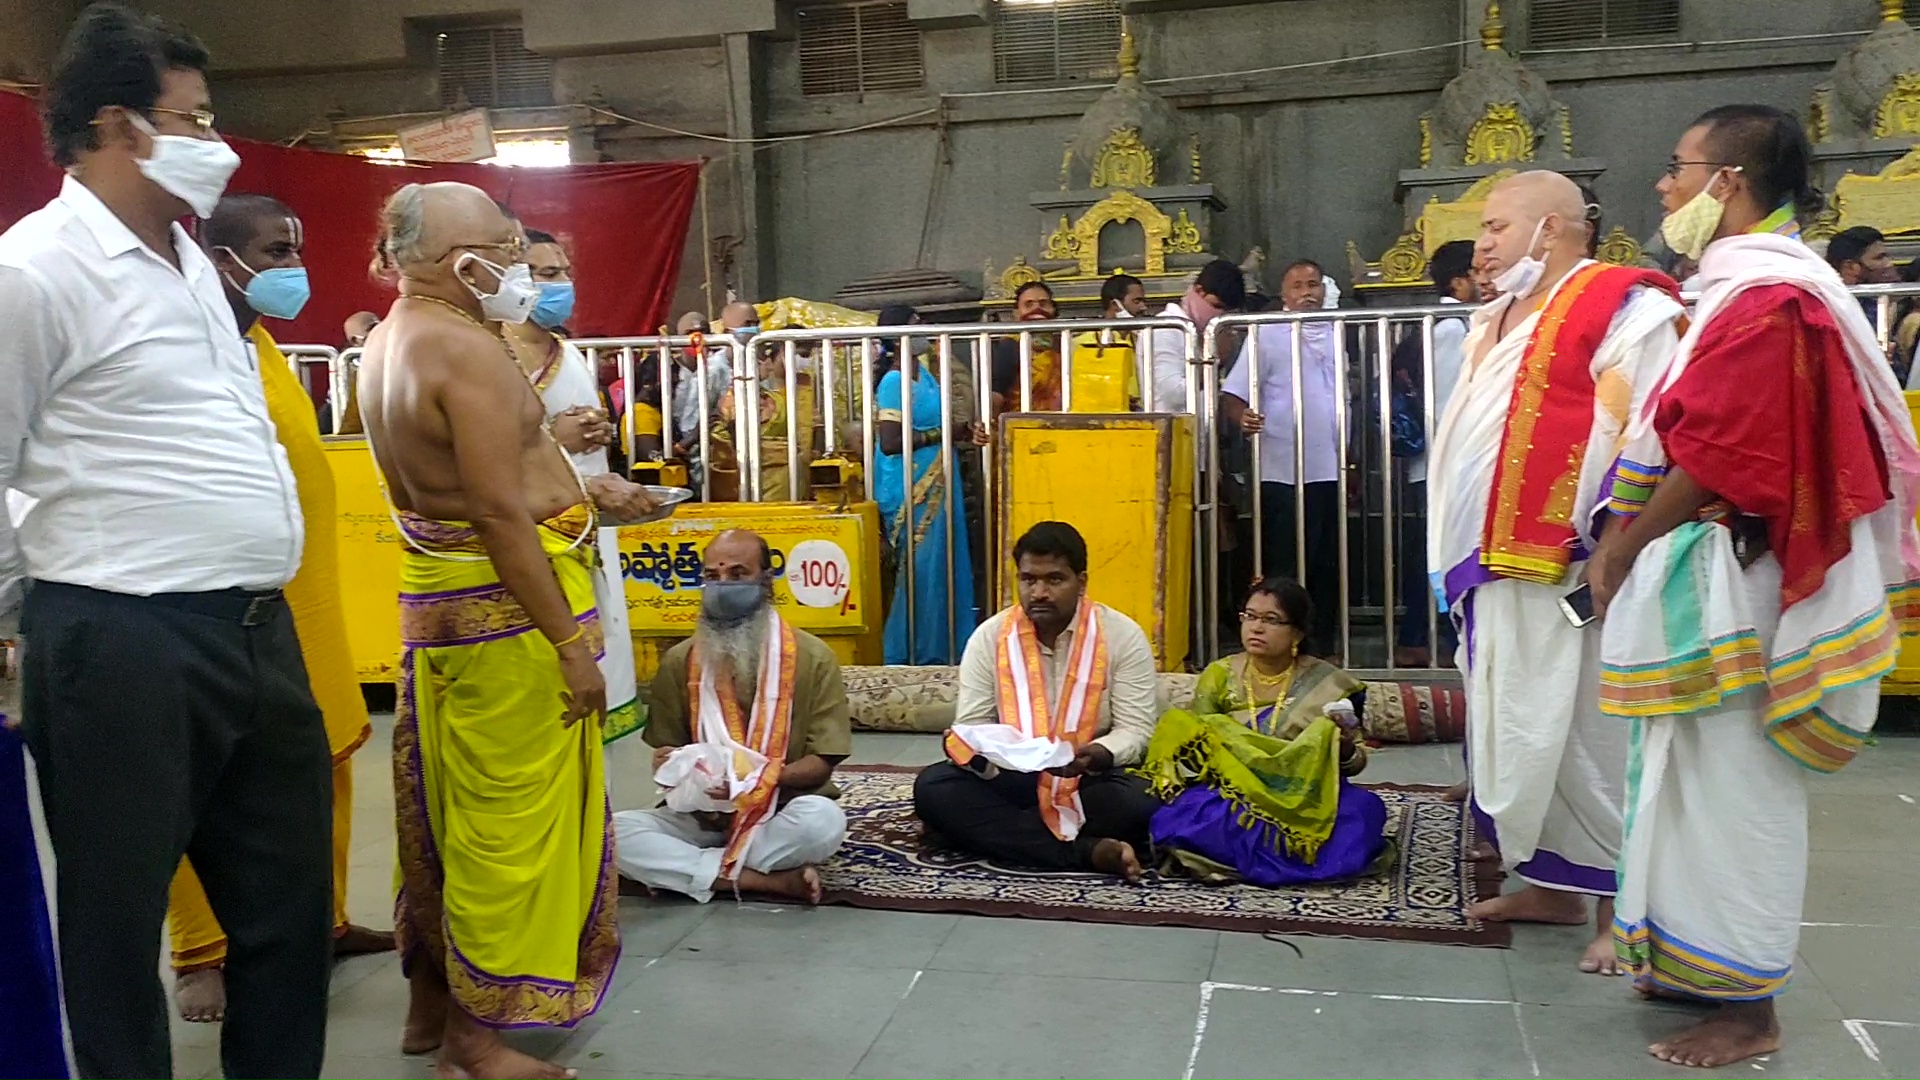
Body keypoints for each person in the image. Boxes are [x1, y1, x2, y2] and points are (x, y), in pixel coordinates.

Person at [0, 7, 334, 1078]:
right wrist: (30, 623)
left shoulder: (191, 263)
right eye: (191, 119)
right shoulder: (35, 272)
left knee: (288, 917)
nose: (217, 141)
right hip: (119, 638)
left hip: (250, 631)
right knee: (114, 923)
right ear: (115, 125)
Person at [1588, 105, 1920, 1070]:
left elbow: (1726, 450)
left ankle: (1751, 1009)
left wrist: (1621, 546)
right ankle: (1689, 966)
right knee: (1679, 775)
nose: (1664, 187)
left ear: (1727, 181)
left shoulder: (1774, 297)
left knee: (1735, 788)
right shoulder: (1741, 287)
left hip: (1741, 575)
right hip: (1711, 574)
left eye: (1677, 168)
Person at [359, 181, 657, 1078]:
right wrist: (572, 645)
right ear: (465, 263)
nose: (523, 266)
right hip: (508, 621)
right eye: (508, 247)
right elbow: (497, 513)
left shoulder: (388, 341)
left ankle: (430, 1005)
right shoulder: (463, 349)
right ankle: (474, 1043)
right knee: (507, 826)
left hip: (446, 609)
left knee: (443, 813)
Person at [1425, 170, 1686, 976]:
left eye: (1500, 226)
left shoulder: (1623, 304)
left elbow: (1644, 420)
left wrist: (1612, 537)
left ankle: (1615, 905)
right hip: (1488, 561)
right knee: (1513, 720)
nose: (1484, 244)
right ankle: (1550, 883)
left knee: (1589, 729)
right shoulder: (1491, 316)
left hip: (1569, 560)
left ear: (1555, 228)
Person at [160, 194, 396, 1025]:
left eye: (296, 248)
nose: (292, 266)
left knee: (325, 764)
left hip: (310, 598)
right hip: (226, 604)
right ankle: (202, 952)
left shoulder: (260, 343)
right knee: (204, 781)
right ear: (219, 255)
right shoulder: (184, 344)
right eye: (273, 250)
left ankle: (321, 922)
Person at [612, 530, 852, 903]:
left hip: (779, 813)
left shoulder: (813, 657)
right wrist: (671, 765)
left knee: (823, 823)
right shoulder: (681, 660)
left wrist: (751, 783)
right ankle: (766, 881)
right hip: (701, 817)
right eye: (712, 576)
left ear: (766, 580)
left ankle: (693, 871)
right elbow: (668, 751)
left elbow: (821, 764)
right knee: (612, 835)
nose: (722, 586)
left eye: (737, 574)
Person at [913, 522, 1162, 880]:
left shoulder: (1122, 636)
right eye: (1029, 580)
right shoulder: (990, 637)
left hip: (1090, 776)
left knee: (1138, 800)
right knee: (934, 788)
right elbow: (975, 724)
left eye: (1055, 580)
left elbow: (1136, 730)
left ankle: (996, 834)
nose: (1040, 592)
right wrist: (969, 745)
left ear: (1082, 581)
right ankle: (1088, 851)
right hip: (1014, 775)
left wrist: (1096, 754)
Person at [497, 227, 645, 742]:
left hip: (589, 527)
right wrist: (554, 439)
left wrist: (603, 430)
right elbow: (484, 450)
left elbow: (582, 432)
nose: (563, 283)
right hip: (532, 532)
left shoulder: (570, 352)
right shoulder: (490, 353)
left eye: (565, 271)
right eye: (546, 274)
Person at [1143, 578, 1387, 886]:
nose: (1256, 628)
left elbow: (1356, 764)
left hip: (1305, 797)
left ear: (1297, 631)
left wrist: (1346, 749)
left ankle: (1230, 862)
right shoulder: (1219, 675)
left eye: (1271, 620)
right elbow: (1201, 744)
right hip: (1236, 791)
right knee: (1189, 814)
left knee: (1362, 813)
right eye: (1249, 616)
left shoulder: (1333, 686)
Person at [1221, 259, 1343, 653]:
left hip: (1330, 466)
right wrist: (1244, 419)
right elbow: (1233, 395)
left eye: (1314, 284)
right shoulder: (1268, 335)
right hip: (1282, 467)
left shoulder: (1336, 332)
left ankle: (1321, 641)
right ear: (1285, 295)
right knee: (1286, 560)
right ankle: (1279, 640)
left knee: (1326, 558)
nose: (1307, 291)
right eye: (1298, 285)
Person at [1396, 240, 1477, 667]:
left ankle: (1427, 635)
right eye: (1477, 271)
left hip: (1446, 461)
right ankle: (1423, 636)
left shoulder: (1454, 323)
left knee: (1437, 548)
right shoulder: (1449, 328)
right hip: (1445, 461)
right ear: (1459, 280)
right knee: (1440, 550)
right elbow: (1446, 402)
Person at [1147, 257, 1244, 413]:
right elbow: (1173, 394)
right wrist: (1213, 359)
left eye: (1225, 311)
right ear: (1199, 291)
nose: (1218, 315)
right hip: (1170, 430)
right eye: (1216, 306)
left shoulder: (1199, 331)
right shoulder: (1166, 328)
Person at [1065, 272, 1146, 412]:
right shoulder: (1084, 343)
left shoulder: (1143, 340)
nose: (1143, 308)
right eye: (1137, 301)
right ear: (1116, 305)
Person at [991, 281, 1064, 412]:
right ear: (1016, 313)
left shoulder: (1066, 344)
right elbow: (997, 393)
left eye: (1043, 304)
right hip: (1020, 424)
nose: (1037, 309)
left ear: (1054, 310)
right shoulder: (1010, 347)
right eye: (1028, 304)